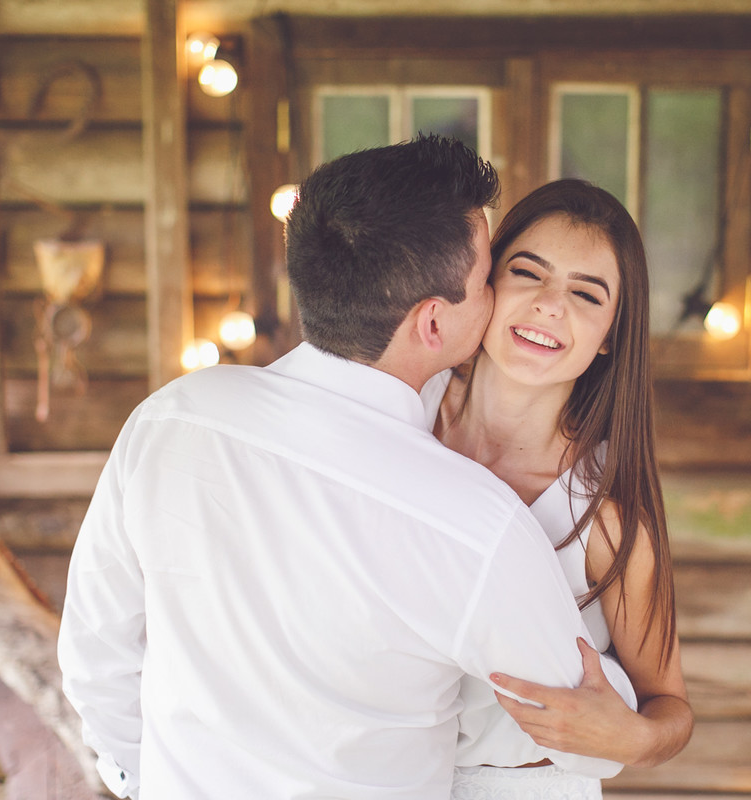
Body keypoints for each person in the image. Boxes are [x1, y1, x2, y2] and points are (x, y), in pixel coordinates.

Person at [57, 137, 633, 800]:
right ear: (432, 322)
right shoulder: (478, 521)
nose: (503, 297)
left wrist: (150, 782)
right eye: (488, 282)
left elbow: (95, 657)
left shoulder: (169, 418)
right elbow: (591, 730)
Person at [422, 180, 694, 798]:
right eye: (529, 273)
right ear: (485, 281)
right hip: (369, 777)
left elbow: (669, 707)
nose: (550, 305)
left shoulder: (606, 518)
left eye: (586, 294)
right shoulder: (401, 414)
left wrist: (634, 740)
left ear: (609, 336)